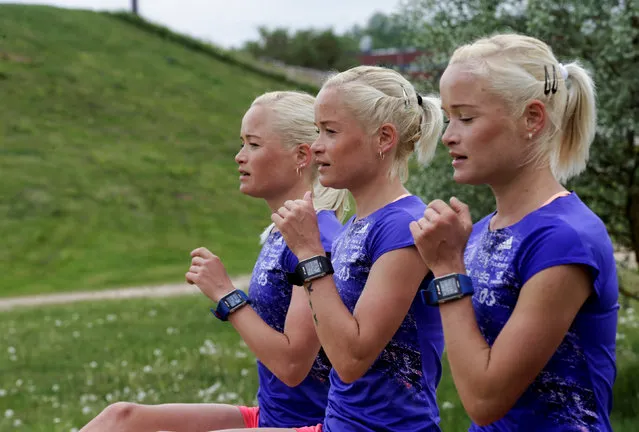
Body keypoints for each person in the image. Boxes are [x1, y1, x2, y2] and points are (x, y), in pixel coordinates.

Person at [79, 91, 348, 432]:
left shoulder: (316, 238)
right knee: (120, 418)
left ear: (300, 155)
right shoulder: (283, 231)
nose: (239, 157)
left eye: (253, 144)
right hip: (268, 416)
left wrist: (227, 295)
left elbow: (293, 365)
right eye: (242, 144)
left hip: (307, 425)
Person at [410, 33, 619, 431]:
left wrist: (447, 271)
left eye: (467, 118)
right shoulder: (483, 230)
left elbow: (484, 400)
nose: (449, 135)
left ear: (532, 118)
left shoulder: (564, 239)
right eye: (449, 117)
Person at [254, 65, 446, 432]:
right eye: (316, 131)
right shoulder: (355, 229)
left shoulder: (403, 226)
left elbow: (350, 358)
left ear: (384, 138)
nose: (316, 146)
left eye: (330, 131)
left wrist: (309, 254)